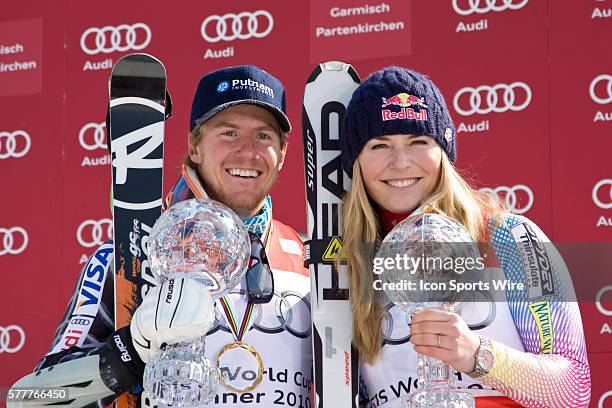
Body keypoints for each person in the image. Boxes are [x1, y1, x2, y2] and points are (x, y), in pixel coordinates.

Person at [9, 65, 311, 408]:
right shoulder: (129, 256)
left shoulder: (309, 261)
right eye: (228, 133)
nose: (247, 151)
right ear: (195, 147)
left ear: (283, 154)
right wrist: (131, 352)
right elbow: (32, 400)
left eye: (263, 136)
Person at [338, 67, 591, 407]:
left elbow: (572, 389)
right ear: (357, 162)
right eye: (380, 145)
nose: (400, 162)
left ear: (443, 151)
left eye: (418, 142)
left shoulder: (508, 239)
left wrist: (477, 355)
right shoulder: (347, 265)